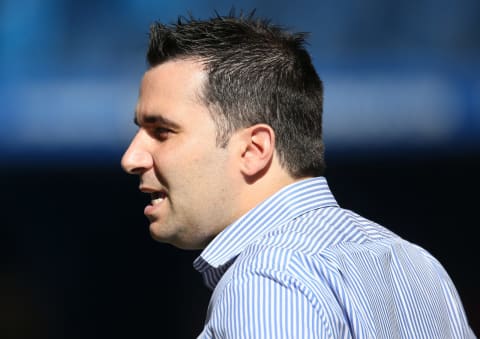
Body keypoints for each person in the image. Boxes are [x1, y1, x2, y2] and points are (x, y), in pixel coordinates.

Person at [121, 12, 475, 338]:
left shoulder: (269, 279)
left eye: (162, 131)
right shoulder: (418, 266)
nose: (131, 158)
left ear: (254, 149)